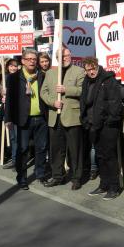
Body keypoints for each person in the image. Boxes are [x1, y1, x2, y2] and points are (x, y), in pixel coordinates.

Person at [40, 48, 85, 190]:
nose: (65, 57)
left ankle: (76, 177)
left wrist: (67, 89)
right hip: (55, 116)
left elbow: (82, 90)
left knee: (74, 149)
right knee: (56, 149)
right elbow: (43, 92)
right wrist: (53, 102)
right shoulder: (51, 73)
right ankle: (57, 175)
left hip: (72, 117)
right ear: (58, 58)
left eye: (67, 55)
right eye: (62, 56)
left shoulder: (79, 71)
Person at [79, 57, 124, 200]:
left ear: (97, 66)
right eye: (87, 70)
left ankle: (114, 187)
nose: (91, 72)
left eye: (92, 69)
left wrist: (110, 120)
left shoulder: (108, 80)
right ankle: (103, 185)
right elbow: (84, 102)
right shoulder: (86, 81)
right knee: (100, 156)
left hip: (107, 126)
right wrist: (85, 120)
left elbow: (115, 103)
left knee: (110, 156)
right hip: (93, 125)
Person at [4, 49, 49, 190]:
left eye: (34, 59)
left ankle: (40, 174)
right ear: (22, 61)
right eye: (28, 59)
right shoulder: (14, 77)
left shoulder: (42, 75)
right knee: (22, 149)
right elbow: (10, 100)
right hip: (23, 119)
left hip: (41, 118)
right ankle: (22, 178)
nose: (32, 61)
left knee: (41, 148)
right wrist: (8, 119)